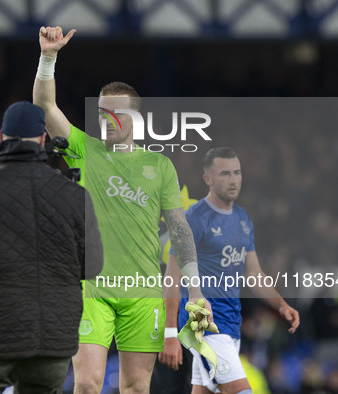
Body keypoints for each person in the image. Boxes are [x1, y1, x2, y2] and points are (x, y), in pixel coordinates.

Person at [33, 26, 209, 393]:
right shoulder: (84, 149)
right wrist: (48, 58)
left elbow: (179, 231)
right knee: (88, 383)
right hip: (90, 289)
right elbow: (45, 107)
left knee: (134, 386)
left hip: (143, 292)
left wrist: (195, 291)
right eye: (102, 113)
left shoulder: (159, 166)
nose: (108, 120)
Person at [0, 101, 103, 394]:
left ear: (1, 137)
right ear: (42, 139)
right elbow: (95, 265)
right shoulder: (76, 196)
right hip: (52, 341)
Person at [162, 147, 300, 394]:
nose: (233, 179)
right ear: (208, 179)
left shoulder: (243, 219)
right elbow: (172, 278)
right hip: (204, 326)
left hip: (230, 324)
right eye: (225, 173)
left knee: (203, 390)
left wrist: (280, 304)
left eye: (237, 172)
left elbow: (254, 275)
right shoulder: (193, 219)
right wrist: (170, 332)